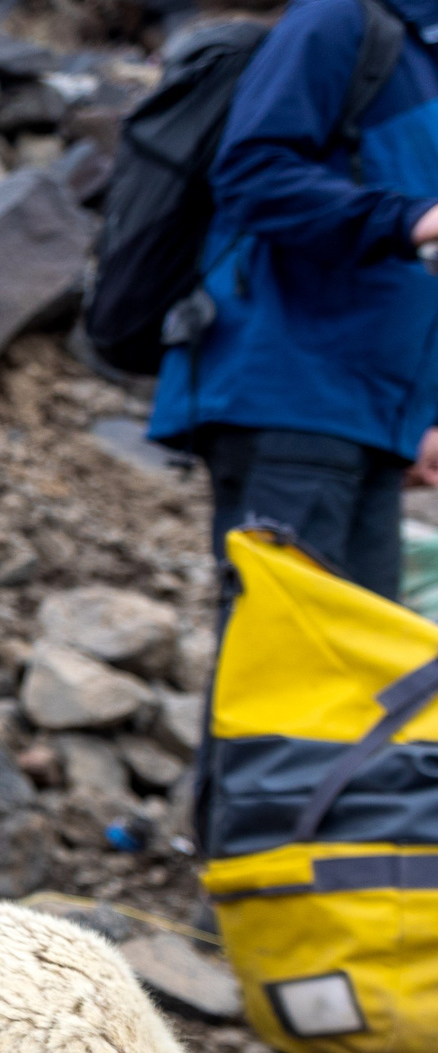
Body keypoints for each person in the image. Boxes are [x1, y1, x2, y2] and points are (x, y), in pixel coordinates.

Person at [149, 0, 438, 602]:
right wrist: (406, 221)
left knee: (356, 685)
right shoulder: (343, 23)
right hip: (291, 396)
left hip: (373, 420)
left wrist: (426, 419)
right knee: (282, 670)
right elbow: (251, 172)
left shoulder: (424, 58)